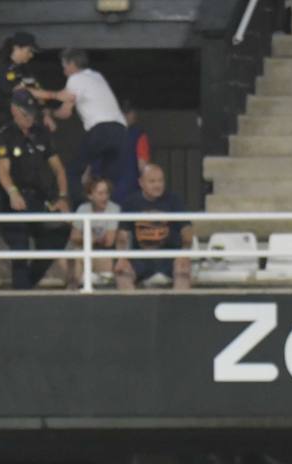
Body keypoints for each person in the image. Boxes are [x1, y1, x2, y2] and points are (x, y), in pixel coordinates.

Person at [0, 97, 71, 289]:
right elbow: (2, 169)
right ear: (15, 110)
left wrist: (62, 197)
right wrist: (12, 192)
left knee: (59, 232)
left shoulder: (41, 133)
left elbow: (58, 169)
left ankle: (27, 284)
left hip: (39, 198)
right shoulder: (5, 136)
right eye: (25, 113)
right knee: (20, 248)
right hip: (14, 202)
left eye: (32, 113)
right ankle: (22, 293)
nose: (30, 118)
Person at [33, 48, 127, 200]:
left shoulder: (75, 79)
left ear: (71, 64)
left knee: (72, 172)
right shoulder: (97, 76)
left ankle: (78, 211)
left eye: (64, 65)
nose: (63, 70)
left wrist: (49, 113)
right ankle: (109, 211)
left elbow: (66, 112)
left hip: (101, 130)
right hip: (121, 131)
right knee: (109, 179)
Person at [113, 162, 191, 290]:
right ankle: (129, 308)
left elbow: (187, 231)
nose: (157, 185)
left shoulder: (174, 200)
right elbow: (123, 235)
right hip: (141, 257)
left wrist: (184, 254)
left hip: (169, 257)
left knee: (183, 269)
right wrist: (121, 257)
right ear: (141, 183)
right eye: (152, 181)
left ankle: (180, 308)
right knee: (122, 271)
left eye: (160, 181)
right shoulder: (130, 202)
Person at [68, 174, 120, 288]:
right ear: (90, 195)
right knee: (75, 258)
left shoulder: (114, 209)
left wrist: (90, 239)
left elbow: (109, 241)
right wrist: (90, 239)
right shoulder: (82, 209)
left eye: (107, 193)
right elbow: (73, 237)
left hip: (103, 254)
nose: (105, 197)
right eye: (100, 193)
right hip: (80, 253)